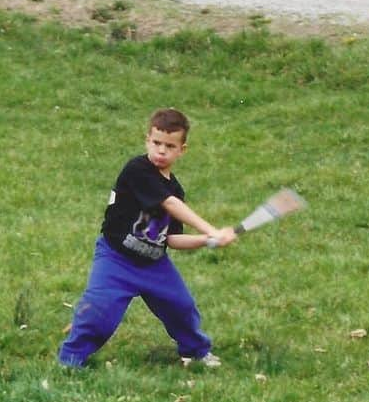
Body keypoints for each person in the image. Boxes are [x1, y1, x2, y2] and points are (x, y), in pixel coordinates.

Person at [59, 108, 236, 369]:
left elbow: (173, 240)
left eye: (169, 146)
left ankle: (196, 352)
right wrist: (210, 229)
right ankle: (70, 360)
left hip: (154, 264)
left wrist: (207, 240)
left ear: (181, 150)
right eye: (156, 143)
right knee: (98, 312)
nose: (161, 151)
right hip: (116, 259)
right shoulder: (138, 170)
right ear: (147, 140)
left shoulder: (175, 188)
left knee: (182, 307)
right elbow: (169, 203)